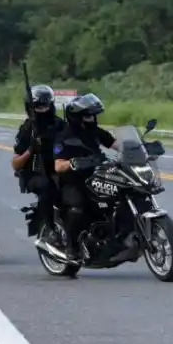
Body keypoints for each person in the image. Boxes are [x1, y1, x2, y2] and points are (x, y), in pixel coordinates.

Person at [53, 93, 119, 262]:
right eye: (88, 115)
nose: (92, 118)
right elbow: (58, 165)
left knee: (121, 195)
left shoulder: (95, 132)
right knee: (78, 208)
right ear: (77, 116)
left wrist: (140, 148)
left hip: (97, 177)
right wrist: (73, 163)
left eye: (93, 115)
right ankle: (71, 246)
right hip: (73, 181)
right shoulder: (65, 137)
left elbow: (117, 144)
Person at [11, 85, 66, 242]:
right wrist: (31, 150)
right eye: (38, 107)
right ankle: (50, 230)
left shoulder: (60, 124)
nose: (43, 110)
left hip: (60, 170)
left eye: (46, 106)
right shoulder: (27, 130)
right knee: (46, 187)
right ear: (31, 108)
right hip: (36, 173)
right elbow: (15, 164)